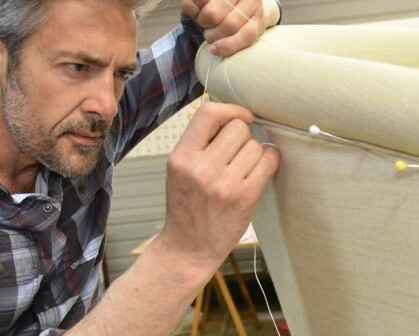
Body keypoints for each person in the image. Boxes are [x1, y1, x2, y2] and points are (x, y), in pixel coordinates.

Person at [0, 0, 281, 335]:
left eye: (121, 74)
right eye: (78, 67)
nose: (106, 106)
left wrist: (243, 12)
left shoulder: (78, 125)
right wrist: (182, 254)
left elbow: (210, 40)